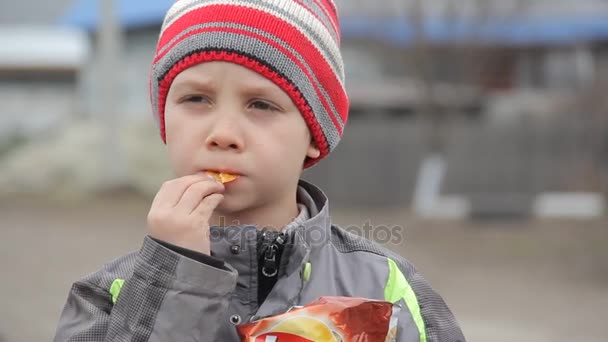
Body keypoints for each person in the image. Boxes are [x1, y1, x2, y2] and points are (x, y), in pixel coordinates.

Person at [54, 0, 465, 341]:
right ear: (164, 120)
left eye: (261, 105)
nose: (223, 134)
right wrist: (174, 275)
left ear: (314, 135)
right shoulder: (110, 295)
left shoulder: (386, 286)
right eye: (196, 98)